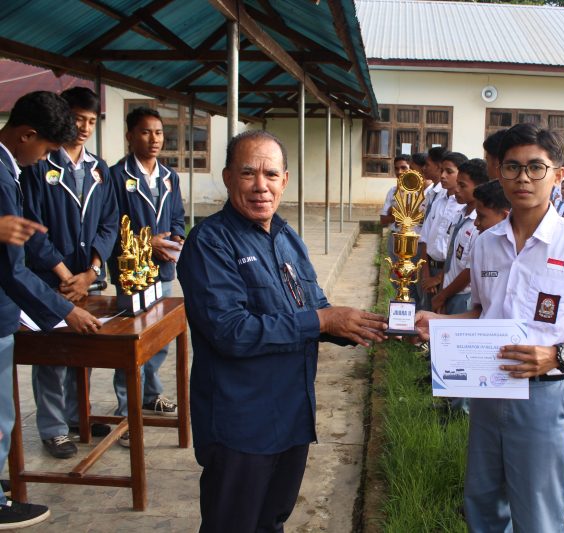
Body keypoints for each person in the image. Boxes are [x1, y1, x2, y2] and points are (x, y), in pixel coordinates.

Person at [414, 123, 564, 532]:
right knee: (483, 499)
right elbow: (483, 314)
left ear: (558, 175)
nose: (523, 178)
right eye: (512, 167)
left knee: (536, 509)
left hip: (543, 394)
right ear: (500, 173)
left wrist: (558, 354)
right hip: (488, 387)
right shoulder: (486, 243)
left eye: (535, 168)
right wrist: (439, 323)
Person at [177, 130, 387, 531]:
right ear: (227, 177)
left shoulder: (287, 238)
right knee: (233, 524)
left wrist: (373, 325)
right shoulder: (210, 243)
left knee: (272, 521)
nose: (261, 186)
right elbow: (231, 331)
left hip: (291, 416)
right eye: (248, 173)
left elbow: (316, 307)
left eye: (271, 174)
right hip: (242, 423)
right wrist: (322, 321)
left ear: (285, 180)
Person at [0, 91, 101, 530]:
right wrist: (64, 311)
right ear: (27, 135)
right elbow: (12, 269)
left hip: (26, 296)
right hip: (10, 303)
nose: (42, 160)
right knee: (0, 414)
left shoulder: (9, 168)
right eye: (43, 150)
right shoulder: (5, 173)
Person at [20, 87, 118, 458]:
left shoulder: (99, 168)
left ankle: (79, 415)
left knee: (84, 350)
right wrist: (64, 275)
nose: (84, 128)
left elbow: (109, 223)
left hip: (87, 278)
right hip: (52, 281)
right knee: (52, 354)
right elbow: (32, 227)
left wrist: (92, 270)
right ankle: (53, 428)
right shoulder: (40, 165)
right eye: (78, 119)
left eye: (91, 121)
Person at [108, 107, 185, 446]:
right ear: (129, 136)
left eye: (158, 132)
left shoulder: (169, 177)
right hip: (133, 273)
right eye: (145, 132)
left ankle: (151, 395)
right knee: (132, 343)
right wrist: (146, 242)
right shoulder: (116, 176)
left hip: (163, 268)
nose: (154, 139)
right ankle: (126, 413)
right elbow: (109, 226)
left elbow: (178, 215)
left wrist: (176, 238)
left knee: (160, 338)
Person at [431, 158, 488, 315]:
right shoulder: (458, 215)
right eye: (457, 184)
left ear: (479, 187)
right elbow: (451, 258)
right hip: (448, 290)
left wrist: (442, 295)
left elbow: (470, 271)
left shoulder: (480, 225)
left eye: (462, 185)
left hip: (463, 296)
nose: (456, 189)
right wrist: (442, 291)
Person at [419, 151, 467, 310]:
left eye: (449, 171)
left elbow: (460, 253)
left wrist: (439, 278)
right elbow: (425, 238)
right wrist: (426, 274)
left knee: (442, 315)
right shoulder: (438, 200)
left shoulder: (464, 207)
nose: (443, 176)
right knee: (426, 314)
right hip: (429, 268)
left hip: (450, 274)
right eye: (441, 170)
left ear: (461, 174)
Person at [379, 154, 412, 263]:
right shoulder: (392, 191)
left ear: (411, 169)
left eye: (403, 168)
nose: (399, 172)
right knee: (394, 271)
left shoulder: (419, 193)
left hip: (410, 240)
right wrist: (400, 214)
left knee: (409, 270)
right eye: (396, 168)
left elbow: (413, 217)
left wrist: (392, 211)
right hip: (394, 236)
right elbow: (383, 220)